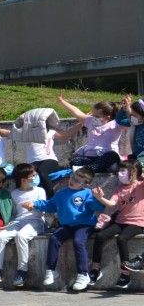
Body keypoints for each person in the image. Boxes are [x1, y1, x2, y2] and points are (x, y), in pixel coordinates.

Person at [36, 166, 103, 291]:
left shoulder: (87, 193)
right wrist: (35, 204)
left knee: (78, 241)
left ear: (86, 184)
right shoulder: (61, 193)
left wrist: (98, 198)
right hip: (67, 226)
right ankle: (51, 270)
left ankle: (83, 274)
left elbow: (97, 207)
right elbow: (50, 205)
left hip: (84, 225)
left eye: (78, 181)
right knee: (54, 238)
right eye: (73, 178)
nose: (73, 181)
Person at [0, 164, 48, 289]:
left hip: (35, 221)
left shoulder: (39, 191)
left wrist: (35, 205)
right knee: (0, 236)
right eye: (33, 175)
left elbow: (44, 207)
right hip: (18, 222)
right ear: (23, 180)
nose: (36, 177)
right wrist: (8, 224)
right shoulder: (14, 193)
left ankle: (22, 271)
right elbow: (14, 214)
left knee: (21, 236)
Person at [90, 159, 144, 290]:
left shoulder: (140, 186)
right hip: (121, 221)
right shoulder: (119, 189)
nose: (120, 174)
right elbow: (112, 204)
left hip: (137, 222)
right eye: (119, 171)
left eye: (124, 171)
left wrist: (138, 172)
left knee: (121, 239)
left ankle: (125, 275)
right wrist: (99, 197)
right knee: (100, 236)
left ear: (134, 172)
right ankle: (95, 270)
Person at [58, 97, 125, 174]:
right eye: (93, 115)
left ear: (107, 117)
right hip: (90, 158)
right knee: (75, 161)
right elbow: (76, 111)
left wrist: (126, 107)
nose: (93, 117)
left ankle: (88, 169)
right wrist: (62, 102)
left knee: (112, 155)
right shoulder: (90, 121)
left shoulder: (116, 125)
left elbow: (127, 118)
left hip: (106, 158)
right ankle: (90, 169)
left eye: (96, 116)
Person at [13, 107, 63, 197]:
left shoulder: (51, 131)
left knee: (42, 172)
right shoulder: (26, 133)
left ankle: (50, 198)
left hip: (49, 160)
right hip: (33, 162)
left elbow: (66, 135)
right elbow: (10, 133)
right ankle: (19, 197)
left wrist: (81, 123)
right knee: (20, 172)